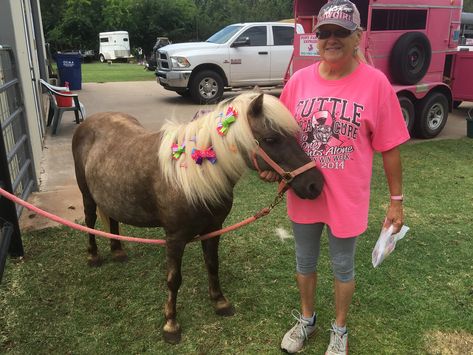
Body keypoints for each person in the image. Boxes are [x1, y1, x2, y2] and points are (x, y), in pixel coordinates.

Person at [260, 0, 410, 353]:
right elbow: (283, 138)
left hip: (347, 197)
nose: (331, 39)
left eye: (340, 32)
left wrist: (397, 201)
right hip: (305, 193)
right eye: (324, 32)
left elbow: (390, 148)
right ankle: (307, 319)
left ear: (358, 36)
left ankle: (339, 329)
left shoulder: (376, 84)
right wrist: (272, 169)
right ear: (317, 37)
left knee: (343, 267)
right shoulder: (298, 82)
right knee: (304, 262)